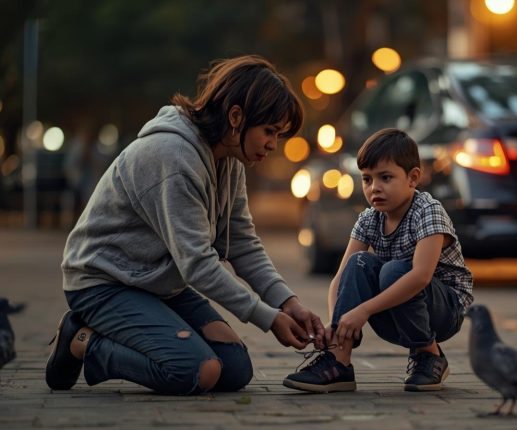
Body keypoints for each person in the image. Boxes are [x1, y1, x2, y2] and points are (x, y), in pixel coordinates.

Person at [46, 55, 325, 395]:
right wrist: (267, 318)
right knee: (196, 371)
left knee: (235, 370)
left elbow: (241, 241)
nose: (273, 144)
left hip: (156, 284)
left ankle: (139, 331)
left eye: (278, 135)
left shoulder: (229, 158)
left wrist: (287, 302)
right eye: (269, 131)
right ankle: (82, 342)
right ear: (236, 117)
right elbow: (197, 264)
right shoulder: (174, 157)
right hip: (103, 283)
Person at [282, 128, 473, 393]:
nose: (375, 188)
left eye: (385, 177)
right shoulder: (370, 218)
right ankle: (339, 362)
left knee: (394, 271)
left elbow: (420, 277)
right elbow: (341, 277)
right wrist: (337, 323)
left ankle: (430, 355)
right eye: (367, 179)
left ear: (412, 178)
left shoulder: (429, 211)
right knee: (360, 262)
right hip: (397, 311)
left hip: (443, 311)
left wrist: (364, 310)